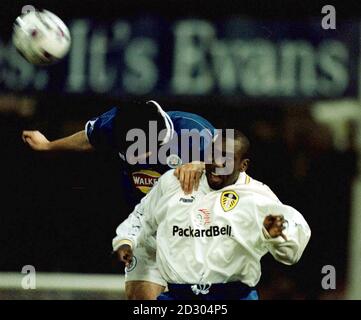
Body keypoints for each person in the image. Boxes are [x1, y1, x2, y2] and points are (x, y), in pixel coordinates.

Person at [22, 99, 216, 300]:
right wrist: (48, 146)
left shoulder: (195, 132)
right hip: (149, 228)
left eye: (141, 152)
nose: (135, 159)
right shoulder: (111, 125)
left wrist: (203, 165)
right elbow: (89, 138)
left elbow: (236, 165)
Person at [115, 130, 311, 300]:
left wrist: (279, 235)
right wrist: (126, 239)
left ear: (243, 165)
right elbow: (142, 215)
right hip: (177, 295)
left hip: (234, 295)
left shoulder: (258, 197)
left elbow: (291, 251)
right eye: (212, 155)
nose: (217, 162)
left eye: (226, 158)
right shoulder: (174, 182)